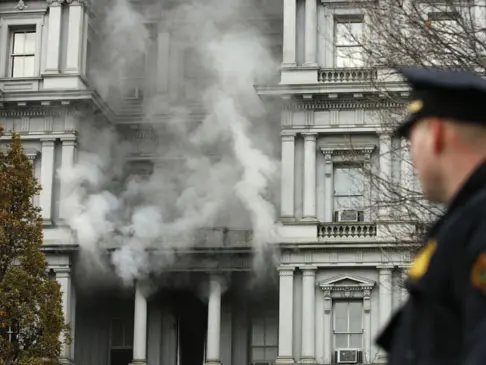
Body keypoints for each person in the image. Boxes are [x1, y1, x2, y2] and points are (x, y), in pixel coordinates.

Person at [375, 67, 486, 365]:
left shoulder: (476, 224)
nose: (410, 153)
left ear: (435, 133)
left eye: (411, 136)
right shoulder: (463, 223)